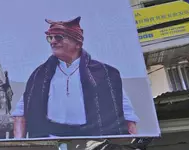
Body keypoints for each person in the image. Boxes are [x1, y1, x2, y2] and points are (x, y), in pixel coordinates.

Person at [11, 17, 139, 138]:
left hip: (95, 144)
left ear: (77, 43)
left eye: (59, 37)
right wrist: (19, 145)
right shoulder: (39, 75)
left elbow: (127, 114)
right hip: (51, 143)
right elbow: (20, 113)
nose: (53, 42)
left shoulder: (104, 73)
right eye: (50, 38)